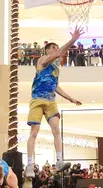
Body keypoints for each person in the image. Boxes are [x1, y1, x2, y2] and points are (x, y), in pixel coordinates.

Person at [25, 28, 85, 178]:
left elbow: (55, 86)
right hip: (38, 100)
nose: (56, 50)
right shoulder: (41, 62)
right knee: (34, 132)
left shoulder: (56, 69)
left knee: (56, 130)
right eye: (52, 48)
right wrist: (73, 39)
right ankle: (30, 165)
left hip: (51, 101)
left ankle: (59, 161)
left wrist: (70, 98)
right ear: (46, 51)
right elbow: (58, 54)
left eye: (56, 48)